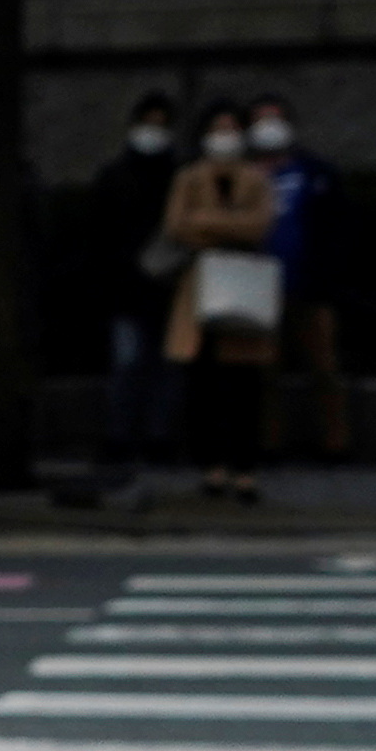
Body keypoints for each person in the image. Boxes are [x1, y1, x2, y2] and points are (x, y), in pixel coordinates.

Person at [158, 101, 284, 501]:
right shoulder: (189, 178)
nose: (225, 137)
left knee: (244, 387)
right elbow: (177, 226)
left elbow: (259, 225)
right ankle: (211, 467)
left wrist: (207, 224)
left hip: (243, 287)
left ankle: (245, 470)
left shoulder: (256, 178)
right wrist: (229, 227)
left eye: (232, 129)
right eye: (218, 128)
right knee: (203, 387)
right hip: (197, 290)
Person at [80, 91, 186, 494]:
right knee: (129, 364)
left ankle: (154, 438)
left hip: (162, 287)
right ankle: (122, 437)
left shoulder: (177, 175)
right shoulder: (115, 177)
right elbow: (98, 236)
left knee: (161, 367)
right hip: (128, 288)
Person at [247, 95, 350, 465]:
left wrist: (328, 274)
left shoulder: (315, 172)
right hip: (258, 290)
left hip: (311, 288)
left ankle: (335, 444)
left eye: (275, 119)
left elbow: (337, 227)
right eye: (260, 120)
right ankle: (269, 444)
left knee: (324, 369)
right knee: (265, 373)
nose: (268, 127)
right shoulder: (244, 174)